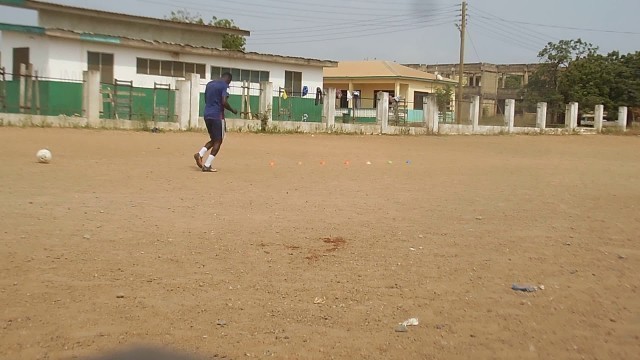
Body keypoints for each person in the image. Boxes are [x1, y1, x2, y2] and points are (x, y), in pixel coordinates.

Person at [194, 72, 237, 172]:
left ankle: (199, 154)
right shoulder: (225, 86)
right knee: (219, 141)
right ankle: (207, 165)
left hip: (207, 114)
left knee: (214, 139)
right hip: (217, 116)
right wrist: (232, 110)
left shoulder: (209, 84)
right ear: (229, 80)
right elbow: (224, 102)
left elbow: (206, 99)